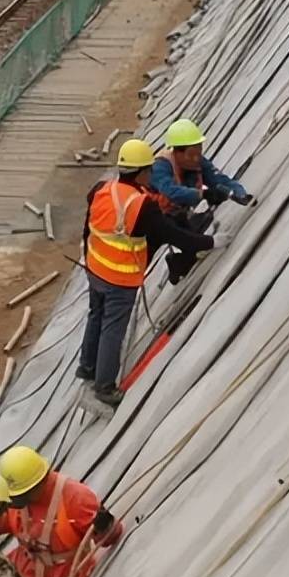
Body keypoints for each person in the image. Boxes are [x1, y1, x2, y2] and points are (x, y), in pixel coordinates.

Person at [80, 137, 215, 407]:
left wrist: (87, 258)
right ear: (142, 172)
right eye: (150, 170)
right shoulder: (142, 206)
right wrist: (210, 242)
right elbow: (174, 236)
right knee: (113, 328)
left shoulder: (102, 189)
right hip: (120, 277)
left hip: (95, 268)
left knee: (96, 316)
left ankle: (87, 368)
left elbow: (89, 228)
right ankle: (104, 387)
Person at [0, 445, 123, 577]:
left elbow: (110, 535)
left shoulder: (75, 498)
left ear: (36, 485)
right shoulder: (16, 503)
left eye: (20, 495)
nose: (14, 501)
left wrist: (106, 526)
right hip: (24, 576)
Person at [150, 119, 255, 283]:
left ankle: (177, 263)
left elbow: (218, 178)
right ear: (177, 152)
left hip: (178, 214)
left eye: (198, 152)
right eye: (191, 154)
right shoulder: (160, 167)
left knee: (194, 250)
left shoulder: (198, 162)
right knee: (194, 243)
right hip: (155, 221)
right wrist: (203, 195)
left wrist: (238, 193)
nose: (196, 158)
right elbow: (171, 192)